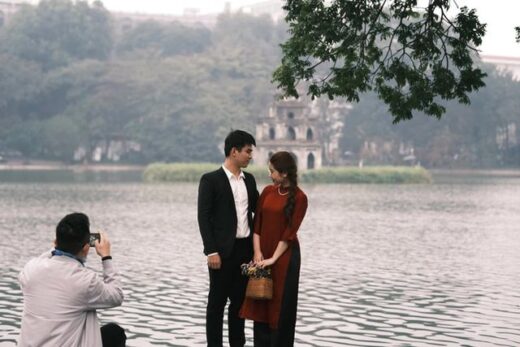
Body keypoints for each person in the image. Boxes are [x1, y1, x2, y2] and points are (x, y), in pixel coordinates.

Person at [18, 212, 126, 347]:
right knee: (115, 333)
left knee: (111, 332)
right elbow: (116, 295)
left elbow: (47, 257)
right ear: (86, 247)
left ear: (55, 242)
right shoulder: (84, 281)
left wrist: (59, 246)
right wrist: (106, 256)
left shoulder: (30, 270)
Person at [198, 129, 259, 347]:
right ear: (234, 152)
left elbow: (258, 213)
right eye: (247, 151)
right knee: (216, 303)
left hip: (245, 252)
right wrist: (211, 251)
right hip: (221, 253)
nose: (250, 156)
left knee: (240, 304)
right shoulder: (210, 180)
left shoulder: (249, 180)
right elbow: (203, 218)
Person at [240, 151, 308, 347]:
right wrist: (257, 252)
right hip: (262, 254)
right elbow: (257, 224)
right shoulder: (268, 191)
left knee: (281, 306)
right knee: (260, 301)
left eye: (272, 171)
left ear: (284, 173)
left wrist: (272, 259)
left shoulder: (300, 198)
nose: (270, 175)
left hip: (285, 259)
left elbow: (289, 233)